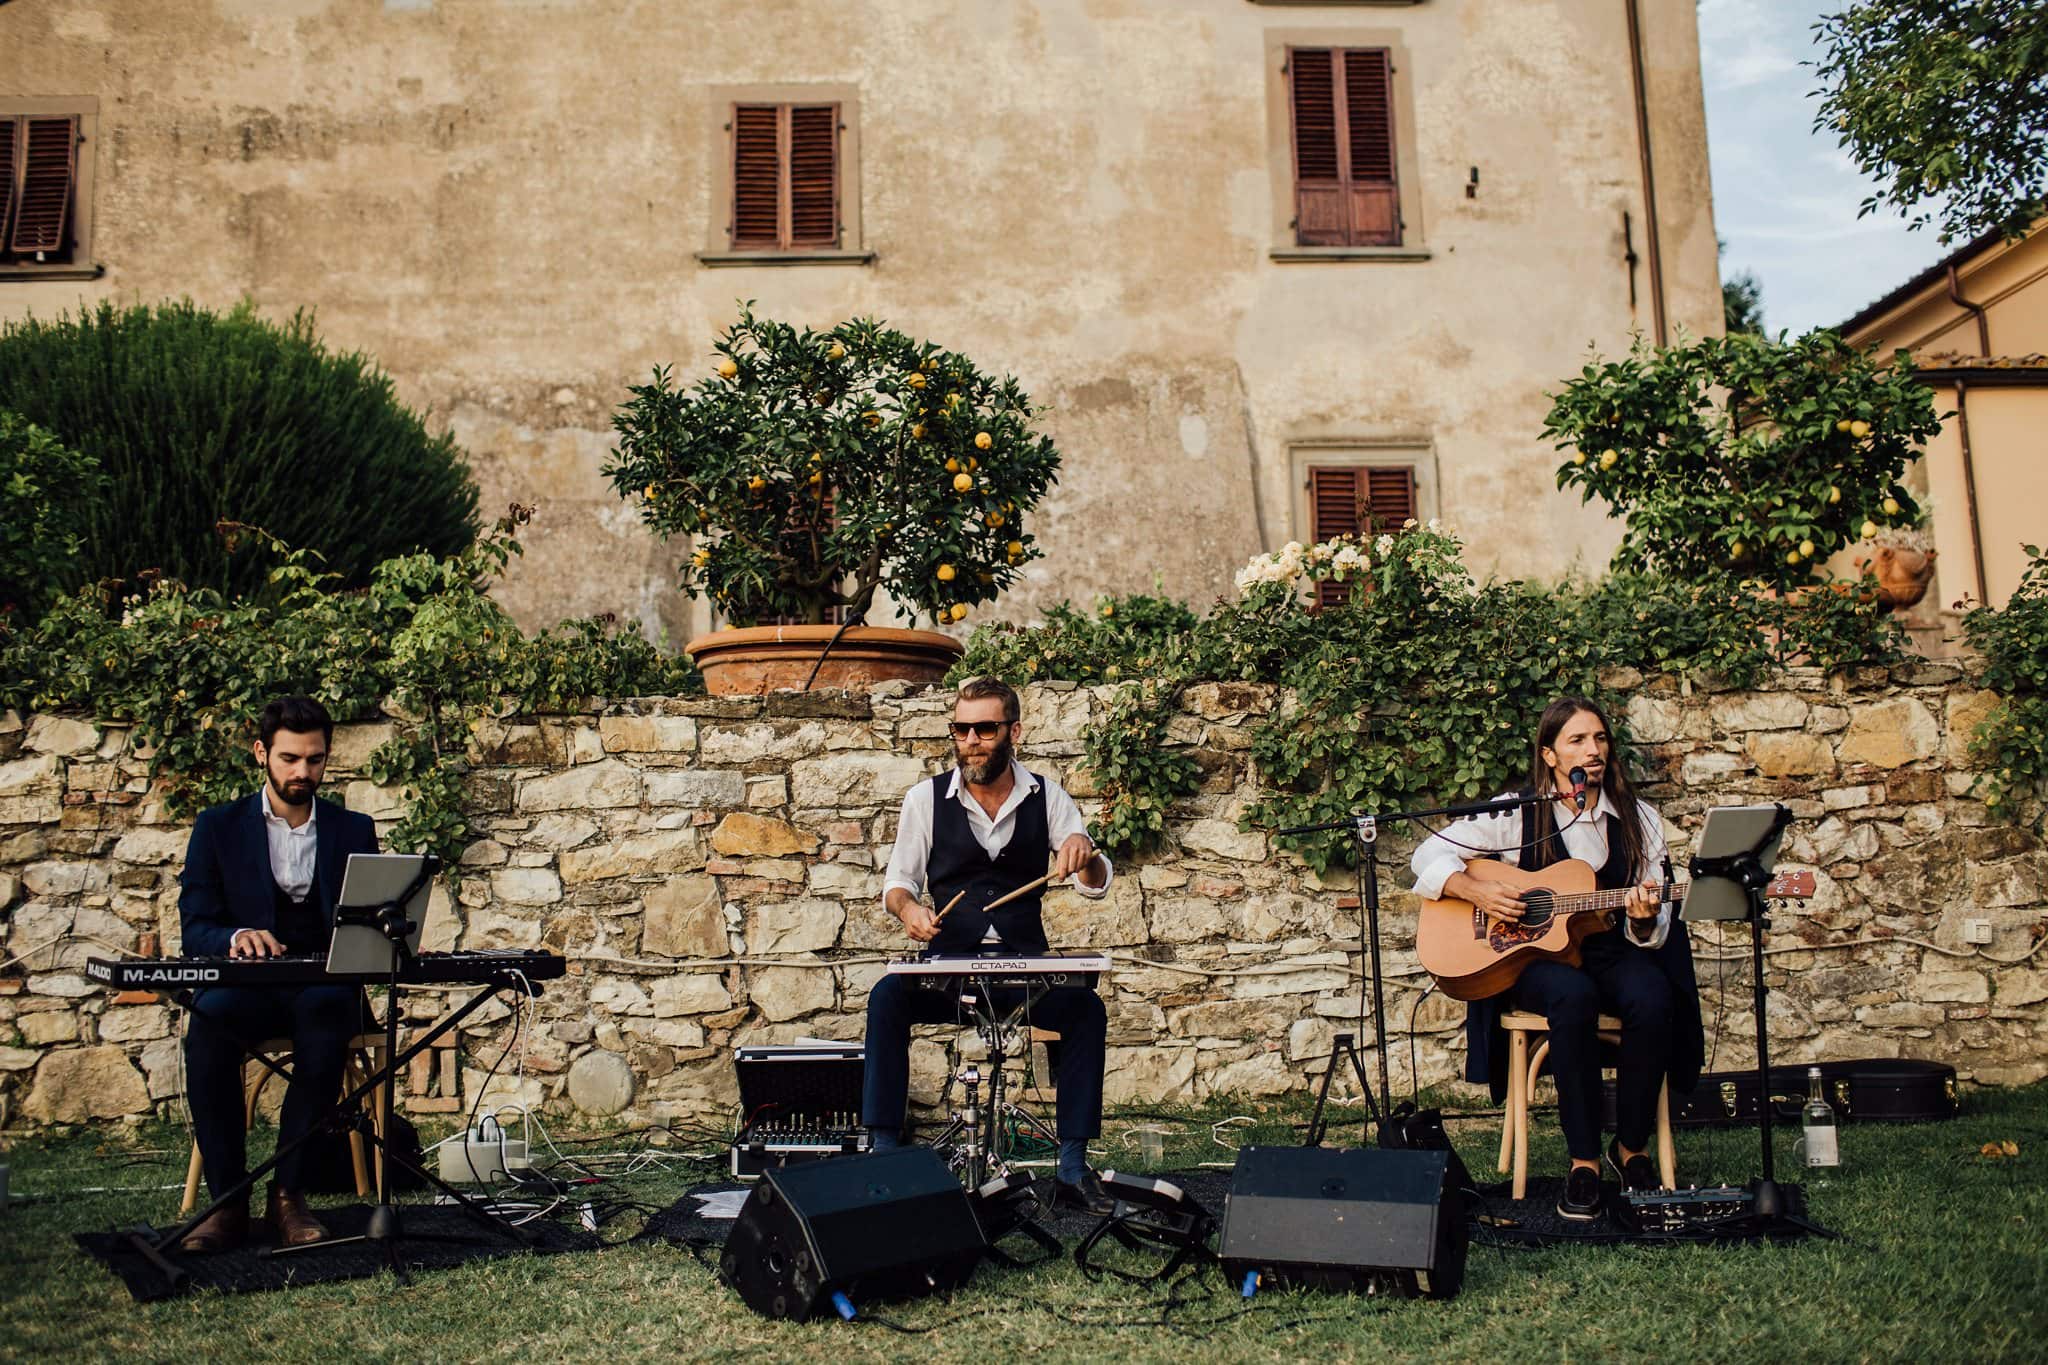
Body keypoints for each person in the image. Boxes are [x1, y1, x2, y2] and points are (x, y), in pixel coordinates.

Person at [1410, 696, 1703, 1220]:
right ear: (1549, 755)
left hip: (1610, 949)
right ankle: (1583, 1161)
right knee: (1573, 996)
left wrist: (1640, 917)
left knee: (1653, 995)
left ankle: (1630, 1148)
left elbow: (1655, 928)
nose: (1592, 751)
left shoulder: (1640, 820)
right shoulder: (1515, 812)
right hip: (1533, 961)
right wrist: (1470, 890)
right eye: (1577, 740)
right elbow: (1427, 853)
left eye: (1600, 739)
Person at [864, 677, 1117, 1213]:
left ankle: (1071, 1169)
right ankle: (882, 1160)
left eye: (984, 728)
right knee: (887, 997)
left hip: (1024, 972)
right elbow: (897, 885)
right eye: (961, 729)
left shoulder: (1047, 796)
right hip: (948, 970)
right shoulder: (925, 800)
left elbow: (1094, 883)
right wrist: (909, 910)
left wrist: (1084, 848)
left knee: (1085, 1009)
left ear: (1013, 731)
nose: (971, 739)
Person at [176, 696, 379, 1252]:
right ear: (261, 752)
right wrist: (236, 937)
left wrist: (391, 933)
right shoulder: (217, 828)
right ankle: (227, 1201)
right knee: (209, 1027)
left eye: (314, 760)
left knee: (328, 1015)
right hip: (247, 985)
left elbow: (370, 918)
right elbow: (195, 927)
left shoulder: (353, 828)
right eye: (290, 758)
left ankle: (289, 1196)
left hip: (323, 985)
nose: (302, 772)